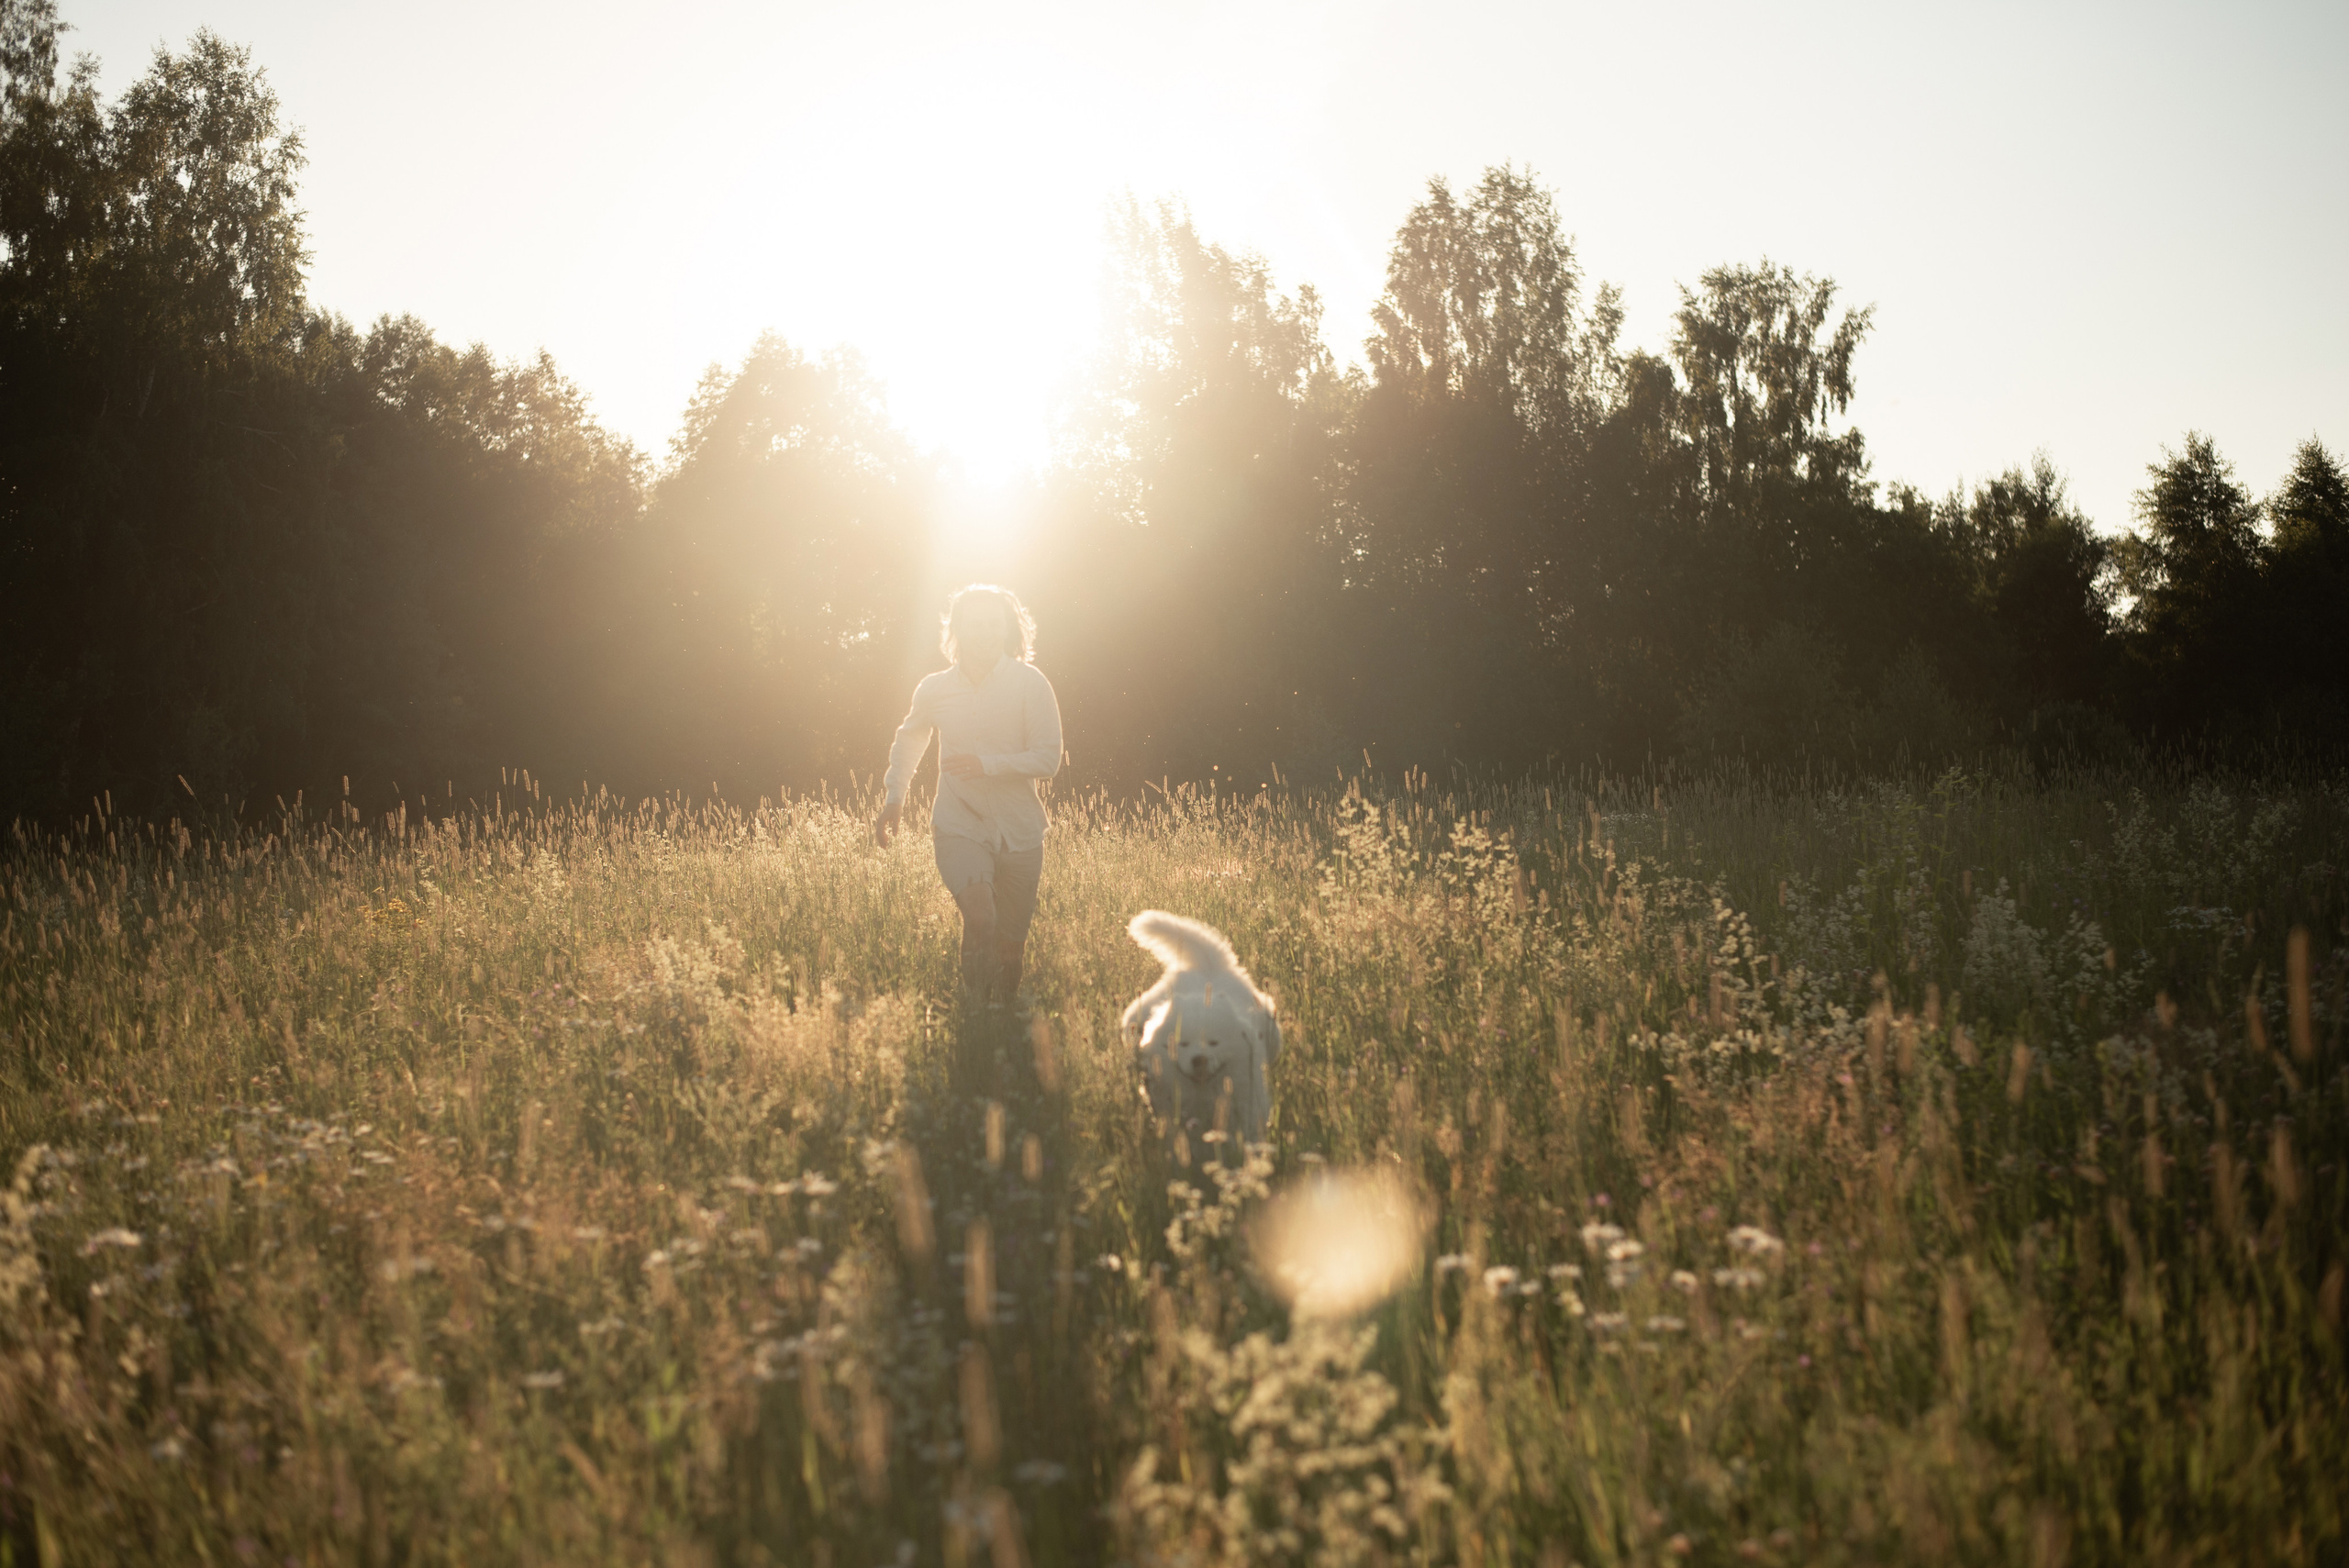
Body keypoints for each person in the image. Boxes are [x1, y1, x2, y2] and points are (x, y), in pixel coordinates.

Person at [874, 584, 1063, 1006]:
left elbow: (1048, 759)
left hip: (1020, 831)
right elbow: (909, 742)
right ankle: (974, 1011)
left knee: (1011, 947)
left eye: (994, 624)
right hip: (958, 823)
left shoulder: (1030, 684)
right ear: (958, 629)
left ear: (1008, 629)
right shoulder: (935, 689)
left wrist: (988, 763)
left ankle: (999, 1019)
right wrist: (894, 798)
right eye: (975, 624)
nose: (985, 632)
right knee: (980, 917)